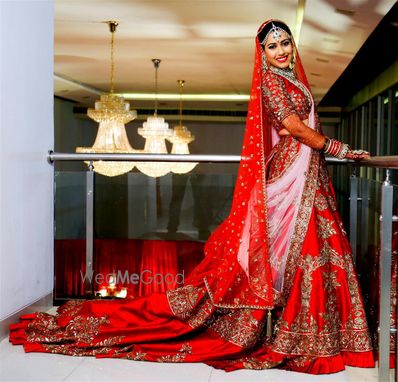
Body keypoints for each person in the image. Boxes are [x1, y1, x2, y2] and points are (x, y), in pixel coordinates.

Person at [10, 19, 374, 374]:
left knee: (310, 249)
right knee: (298, 248)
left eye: (285, 43)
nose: (280, 51)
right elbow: (292, 126)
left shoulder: (292, 78)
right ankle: (300, 335)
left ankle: (319, 333)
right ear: (262, 54)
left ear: (293, 47)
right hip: (289, 180)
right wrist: (339, 148)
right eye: (272, 46)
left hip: (306, 174)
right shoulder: (271, 81)